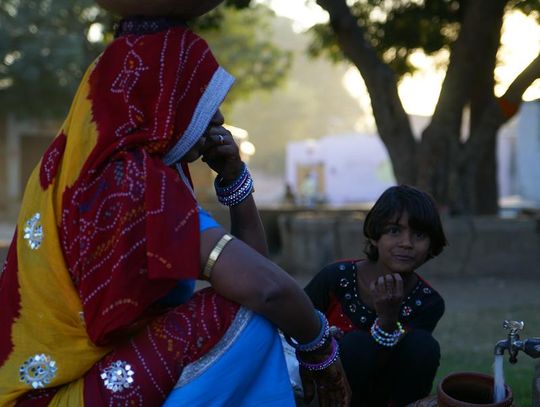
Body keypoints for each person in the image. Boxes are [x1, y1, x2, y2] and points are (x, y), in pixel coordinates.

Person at [0, 6, 351, 407]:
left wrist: (234, 177)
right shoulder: (134, 185)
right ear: (163, 102)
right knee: (248, 318)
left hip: (60, 383)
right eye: (201, 98)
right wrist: (321, 351)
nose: (218, 117)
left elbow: (256, 270)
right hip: (62, 396)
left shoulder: (81, 168)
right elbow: (266, 290)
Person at [304, 185, 448, 407]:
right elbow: (296, 327)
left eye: (419, 235)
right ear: (374, 236)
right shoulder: (335, 278)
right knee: (355, 345)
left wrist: (388, 320)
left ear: (431, 244)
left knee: (423, 346)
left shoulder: (428, 302)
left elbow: (402, 362)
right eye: (394, 231)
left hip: (388, 395)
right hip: (327, 390)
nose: (406, 243)